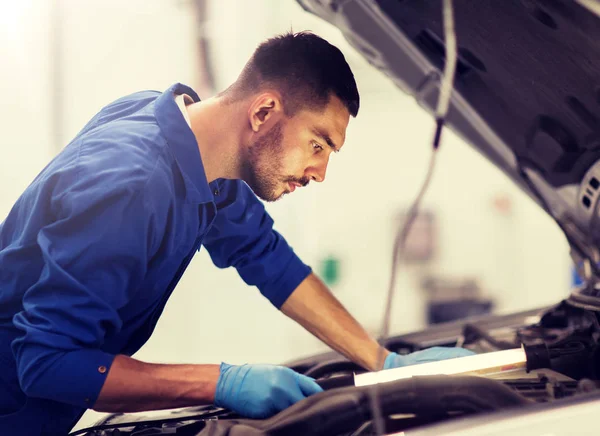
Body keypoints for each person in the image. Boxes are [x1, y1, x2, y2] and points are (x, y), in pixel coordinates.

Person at [0, 31, 472, 435]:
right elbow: (47, 363)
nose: (320, 171)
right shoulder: (132, 184)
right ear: (263, 112)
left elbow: (266, 257)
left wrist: (380, 360)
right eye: (317, 144)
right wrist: (222, 381)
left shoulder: (198, 153)